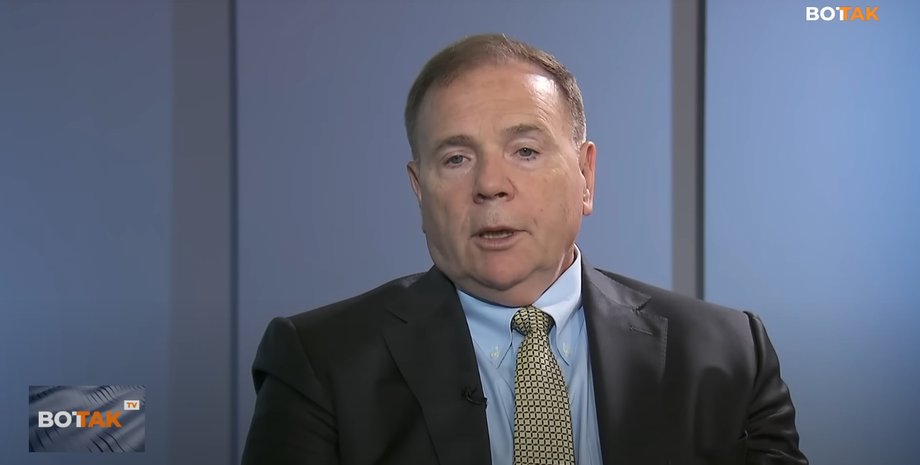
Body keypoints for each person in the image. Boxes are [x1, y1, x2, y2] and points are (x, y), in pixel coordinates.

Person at [241, 33, 807, 465]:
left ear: (586, 176)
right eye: (456, 159)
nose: (491, 184)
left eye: (526, 151)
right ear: (419, 190)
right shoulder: (319, 364)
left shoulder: (728, 355)